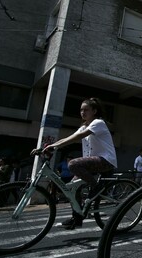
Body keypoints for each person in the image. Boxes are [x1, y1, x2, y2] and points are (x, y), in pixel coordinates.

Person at [39, 97, 117, 230]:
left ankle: (95, 187)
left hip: (105, 160)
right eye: (81, 110)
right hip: (92, 163)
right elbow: (69, 138)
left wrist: (54, 146)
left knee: (73, 164)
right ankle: (77, 217)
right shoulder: (84, 126)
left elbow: (78, 137)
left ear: (94, 111)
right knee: (72, 187)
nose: (83, 112)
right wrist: (50, 146)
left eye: (86, 110)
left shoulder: (98, 122)